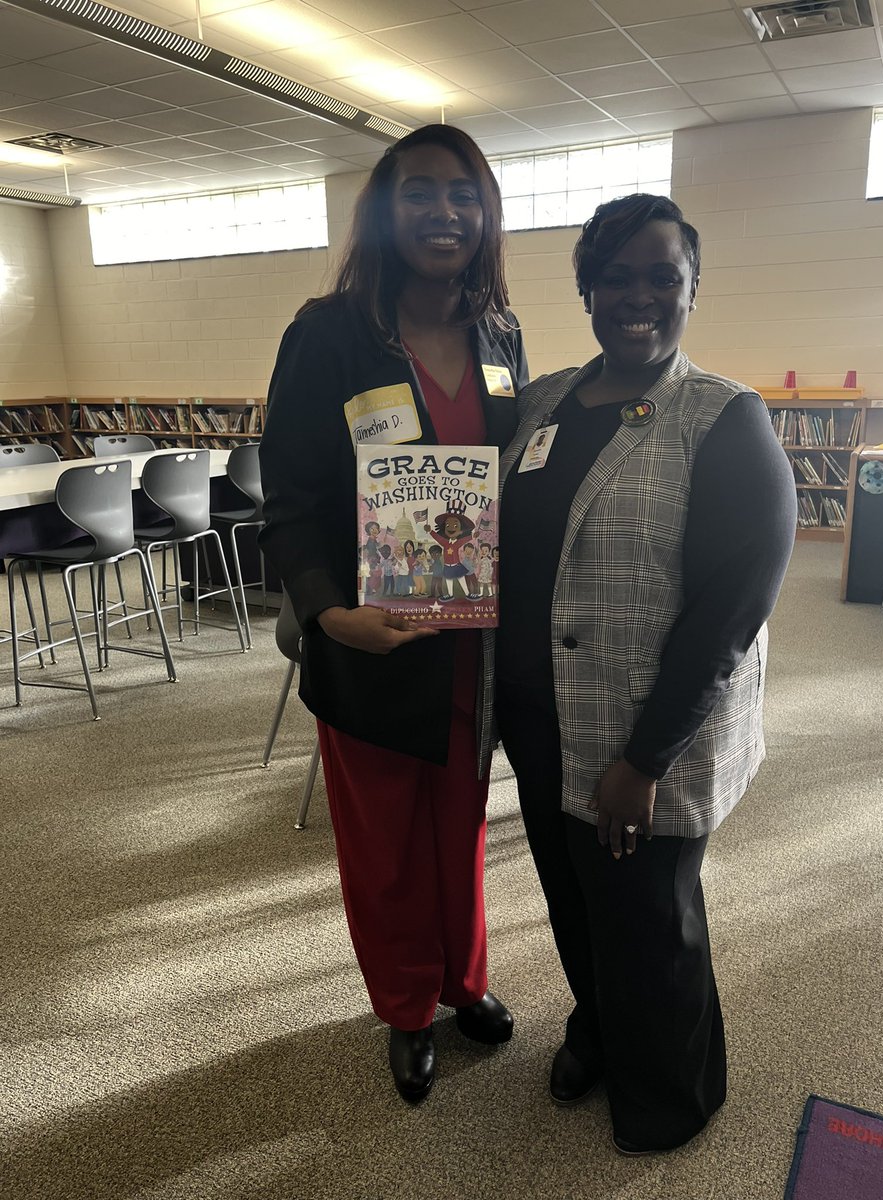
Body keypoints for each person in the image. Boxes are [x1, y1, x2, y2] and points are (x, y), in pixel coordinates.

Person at [485, 194, 796, 1155]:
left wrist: (646, 757)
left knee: (650, 918)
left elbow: (729, 613)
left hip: (645, 732)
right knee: (573, 897)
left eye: (663, 277)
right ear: (587, 289)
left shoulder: (724, 418)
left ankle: (672, 1094)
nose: (638, 296)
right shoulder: (539, 403)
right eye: (616, 276)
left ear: (693, 288)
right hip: (539, 714)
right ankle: (597, 1028)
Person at [259, 123, 528, 1104]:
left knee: (462, 826)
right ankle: (409, 1007)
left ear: (485, 214)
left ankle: (465, 982)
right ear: (385, 209)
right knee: (385, 846)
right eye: (420, 193)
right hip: (370, 646)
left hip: (473, 646)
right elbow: (288, 503)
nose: (444, 213)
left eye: (463, 194)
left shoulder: (501, 335)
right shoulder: (327, 335)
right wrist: (329, 616)